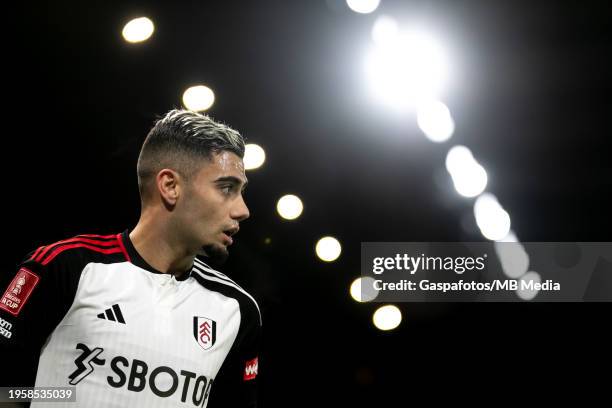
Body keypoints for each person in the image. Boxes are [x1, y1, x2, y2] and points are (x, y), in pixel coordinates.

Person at [0, 109, 261, 407]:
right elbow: (6, 391)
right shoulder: (66, 266)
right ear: (170, 186)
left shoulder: (238, 311)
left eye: (241, 191)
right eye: (227, 188)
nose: (243, 210)